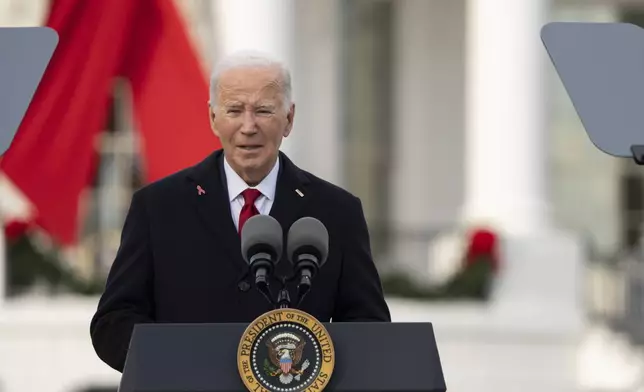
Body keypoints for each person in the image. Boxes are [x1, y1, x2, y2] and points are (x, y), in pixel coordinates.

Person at [89, 51, 391, 372]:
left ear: (289, 118)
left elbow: (368, 327)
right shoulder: (158, 207)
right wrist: (175, 366)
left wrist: (312, 369)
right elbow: (114, 321)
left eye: (263, 110)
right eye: (235, 110)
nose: (249, 127)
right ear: (213, 118)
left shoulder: (337, 212)